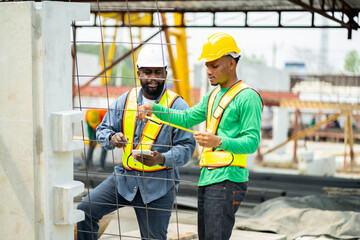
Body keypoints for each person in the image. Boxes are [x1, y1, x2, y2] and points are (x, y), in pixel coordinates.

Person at [138, 32, 263, 240]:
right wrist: (155, 109)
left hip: (228, 180)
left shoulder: (248, 97)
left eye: (214, 66)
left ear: (231, 64)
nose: (208, 71)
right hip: (208, 179)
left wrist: (219, 141)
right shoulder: (213, 95)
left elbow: (251, 142)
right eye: (207, 66)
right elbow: (187, 117)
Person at [76, 45, 196, 240]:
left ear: (166, 73)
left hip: (159, 185)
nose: (153, 77)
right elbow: (102, 129)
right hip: (124, 178)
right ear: (138, 72)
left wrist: (162, 158)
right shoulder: (126, 100)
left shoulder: (178, 106)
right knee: (84, 210)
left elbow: (187, 148)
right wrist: (111, 138)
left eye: (158, 72)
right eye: (147, 72)